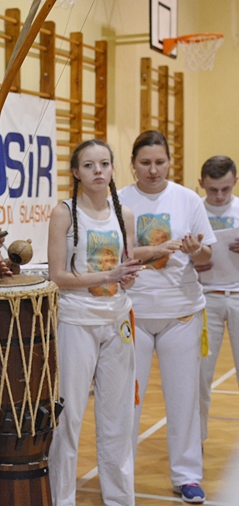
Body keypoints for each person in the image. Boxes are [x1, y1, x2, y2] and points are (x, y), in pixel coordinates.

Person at [119, 130, 215, 504]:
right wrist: (154, 249)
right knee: (126, 399)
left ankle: (187, 475)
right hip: (133, 313)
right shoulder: (120, 200)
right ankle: (120, 471)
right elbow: (116, 254)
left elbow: (207, 255)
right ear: (133, 165)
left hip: (182, 312)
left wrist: (195, 251)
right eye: (145, 163)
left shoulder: (188, 199)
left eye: (160, 162)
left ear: (169, 163)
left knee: (184, 397)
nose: (153, 169)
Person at [47, 140, 141, 506]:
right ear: (76, 172)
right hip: (76, 322)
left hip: (117, 321)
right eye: (89, 165)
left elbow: (125, 268)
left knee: (119, 419)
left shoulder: (125, 215)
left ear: (113, 169)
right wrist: (108, 276)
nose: (98, 171)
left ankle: (120, 499)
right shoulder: (64, 213)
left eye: (104, 164)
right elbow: (57, 276)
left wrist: (126, 276)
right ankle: (62, 499)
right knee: (68, 418)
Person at [194, 156, 239, 443]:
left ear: (235, 181)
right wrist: (194, 260)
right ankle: (195, 440)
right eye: (213, 190)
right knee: (200, 376)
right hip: (205, 297)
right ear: (201, 184)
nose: (219, 196)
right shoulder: (193, 208)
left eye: (225, 189)